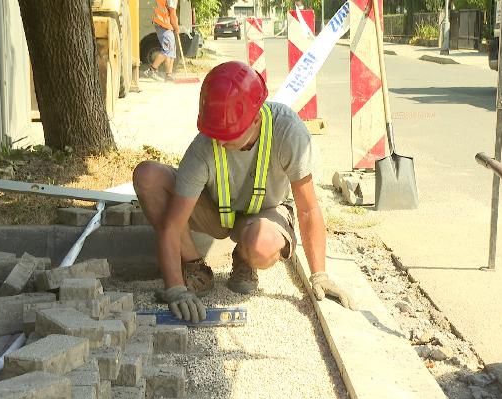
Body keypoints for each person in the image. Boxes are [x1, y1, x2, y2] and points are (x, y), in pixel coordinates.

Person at [133, 61, 355, 323]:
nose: (219, 141)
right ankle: (196, 269)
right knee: (148, 176)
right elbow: (172, 225)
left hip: (265, 214)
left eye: (229, 135)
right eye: (215, 134)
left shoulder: (287, 132)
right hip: (216, 213)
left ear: (256, 119)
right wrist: (175, 288)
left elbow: (308, 208)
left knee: (263, 246)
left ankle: (245, 258)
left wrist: (320, 275)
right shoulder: (206, 143)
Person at [143, 0, 179, 82]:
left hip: (164, 24)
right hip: (163, 24)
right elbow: (173, 15)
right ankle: (152, 70)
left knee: (171, 49)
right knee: (167, 49)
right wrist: (176, 28)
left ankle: (168, 74)